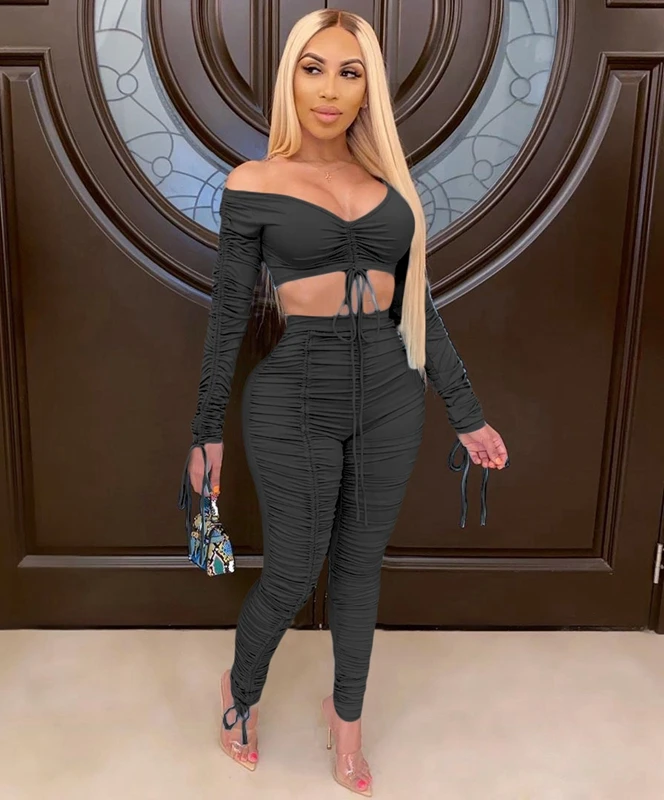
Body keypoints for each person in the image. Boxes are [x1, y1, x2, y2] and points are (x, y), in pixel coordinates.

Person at [177, 8, 509, 796]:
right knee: (294, 571)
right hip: (293, 396)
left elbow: (420, 310)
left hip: (391, 395)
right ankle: (240, 691)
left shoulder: (391, 189)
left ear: (369, 90)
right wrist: (206, 431)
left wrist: (466, 413)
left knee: (360, 569)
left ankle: (347, 720)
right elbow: (228, 315)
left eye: (349, 72)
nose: (329, 89)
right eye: (313, 68)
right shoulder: (254, 183)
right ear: (291, 80)